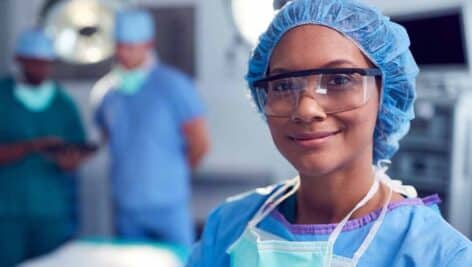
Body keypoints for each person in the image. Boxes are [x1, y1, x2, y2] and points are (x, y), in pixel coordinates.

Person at [187, 0, 472, 266]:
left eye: (338, 79)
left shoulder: (440, 255)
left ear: (385, 94)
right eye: (284, 85)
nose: (306, 109)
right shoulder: (228, 226)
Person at [92, 9, 209, 248]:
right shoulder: (107, 93)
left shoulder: (174, 86)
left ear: (148, 44)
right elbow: (104, 138)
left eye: (131, 47)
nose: (124, 53)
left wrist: (168, 175)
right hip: (126, 207)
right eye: (120, 46)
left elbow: (200, 144)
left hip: (168, 206)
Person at [0, 28, 90, 266]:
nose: (40, 70)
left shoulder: (62, 103)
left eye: (45, 64)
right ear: (19, 60)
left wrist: (69, 161)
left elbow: (77, 148)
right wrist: (33, 146)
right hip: (7, 213)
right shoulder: (3, 98)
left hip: (51, 212)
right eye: (34, 63)